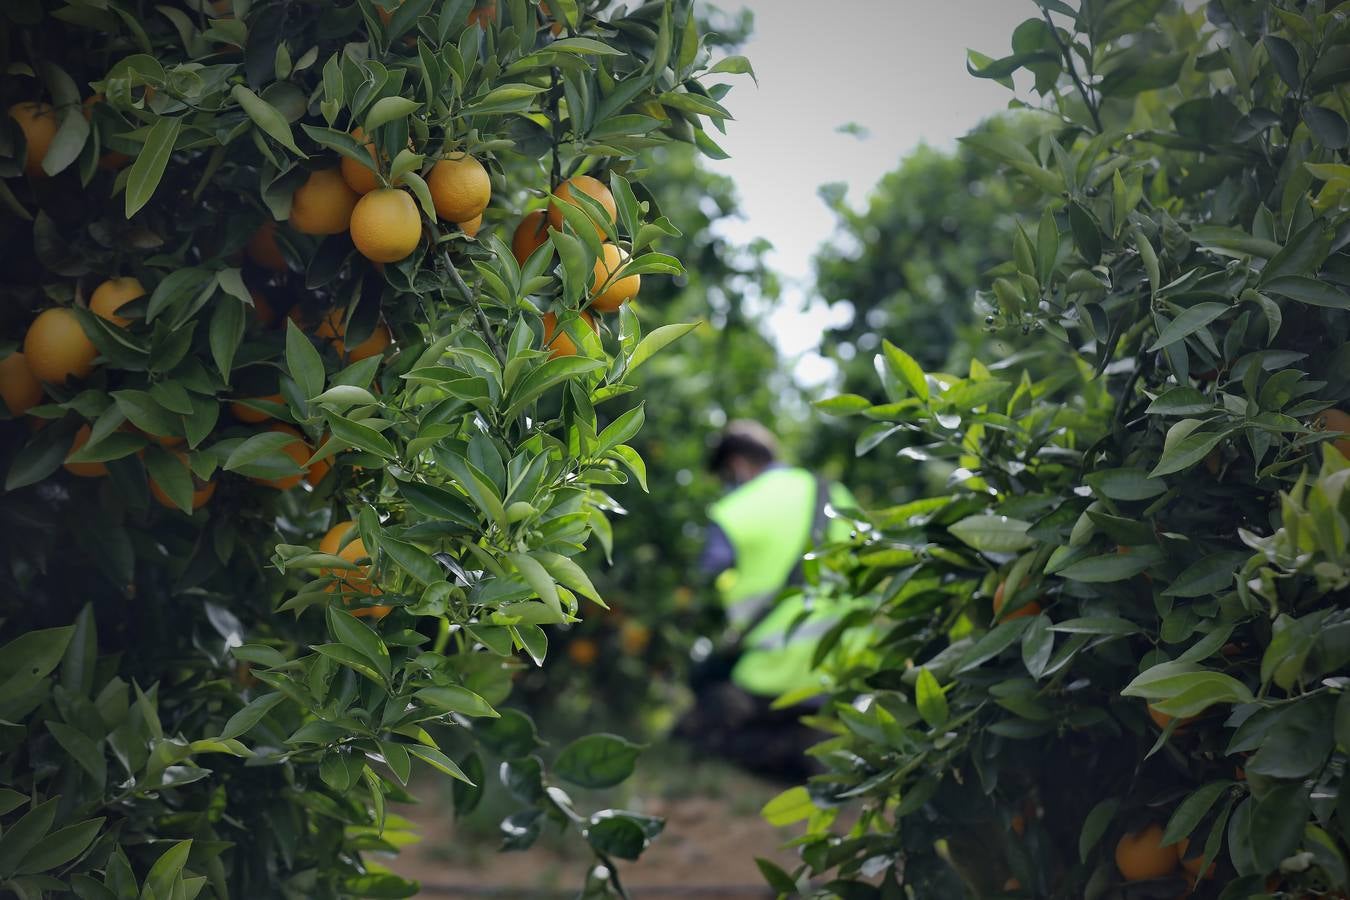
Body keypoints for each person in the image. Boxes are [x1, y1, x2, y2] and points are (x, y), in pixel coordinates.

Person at [675, 420, 864, 780]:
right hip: (845, 669)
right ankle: (819, 743)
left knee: (701, 715)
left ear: (736, 464)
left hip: (772, 673)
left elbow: (704, 578)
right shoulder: (835, 493)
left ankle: (789, 749)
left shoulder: (736, 510)